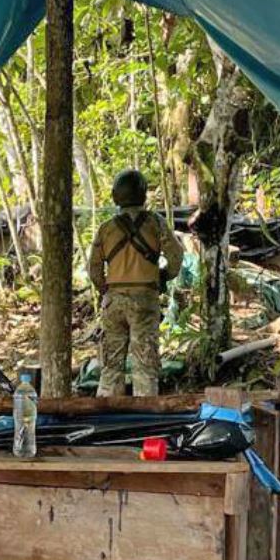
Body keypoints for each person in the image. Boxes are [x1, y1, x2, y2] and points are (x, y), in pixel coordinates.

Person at [86, 169, 184, 397]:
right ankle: (146, 419)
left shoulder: (106, 228)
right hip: (145, 299)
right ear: (143, 194)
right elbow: (176, 258)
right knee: (145, 366)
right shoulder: (156, 223)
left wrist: (106, 290)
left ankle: (107, 416)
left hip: (114, 300)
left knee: (110, 366)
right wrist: (162, 276)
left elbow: (94, 269)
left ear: (115, 196)